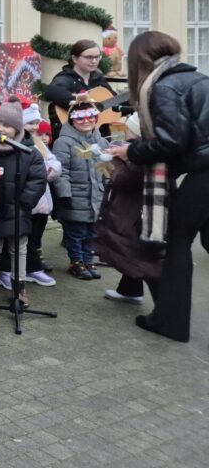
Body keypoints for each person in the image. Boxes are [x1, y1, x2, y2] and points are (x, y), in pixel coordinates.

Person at [106, 31, 209, 343]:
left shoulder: (164, 87)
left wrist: (130, 151)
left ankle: (171, 322)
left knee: (176, 242)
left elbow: (171, 141)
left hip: (205, 172)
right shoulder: (195, 76)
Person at [0, 98, 47, 308]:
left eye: (6, 125)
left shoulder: (29, 152)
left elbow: (37, 180)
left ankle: (19, 286)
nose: (0, 128)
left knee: (19, 249)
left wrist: (24, 202)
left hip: (18, 209)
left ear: (16, 128)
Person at [97, 114, 162, 306]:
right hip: (138, 206)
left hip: (135, 208)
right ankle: (130, 289)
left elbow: (128, 178)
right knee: (131, 246)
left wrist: (113, 163)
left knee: (138, 249)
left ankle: (163, 303)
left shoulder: (141, 150)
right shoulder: (144, 146)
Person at [0, 118, 61, 287]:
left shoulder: (38, 143)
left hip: (40, 201)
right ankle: (6, 270)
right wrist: (25, 200)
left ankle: (32, 268)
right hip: (22, 203)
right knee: (13, 239)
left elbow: (51, 161)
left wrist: (51, 170)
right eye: (29, 123)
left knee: (33, 238)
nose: (34, 127)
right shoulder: (7, 146)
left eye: (35, 123)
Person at [52, 95, 110, 279]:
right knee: (76, 233)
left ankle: (88, 260)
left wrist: (108, 188)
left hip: (96, 197)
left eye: (90, 117)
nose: (86, 121)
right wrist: (65, 194)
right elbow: (62, 170)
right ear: (72, 120)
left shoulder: (101, 141)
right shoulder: (64, 142)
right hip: (75, 197)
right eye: (80, 118)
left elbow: (106, 169)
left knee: (92, 232)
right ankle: (76, 262)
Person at [42, 39, 113, 136]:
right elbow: (51, 92)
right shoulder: (66, 78)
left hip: (100, 135)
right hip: (71, 137)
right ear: (75, 58)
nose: (94, 61)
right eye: (89, 57)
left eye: (97, 57)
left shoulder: (97, 78)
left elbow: (114, 100)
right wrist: (83, 103)